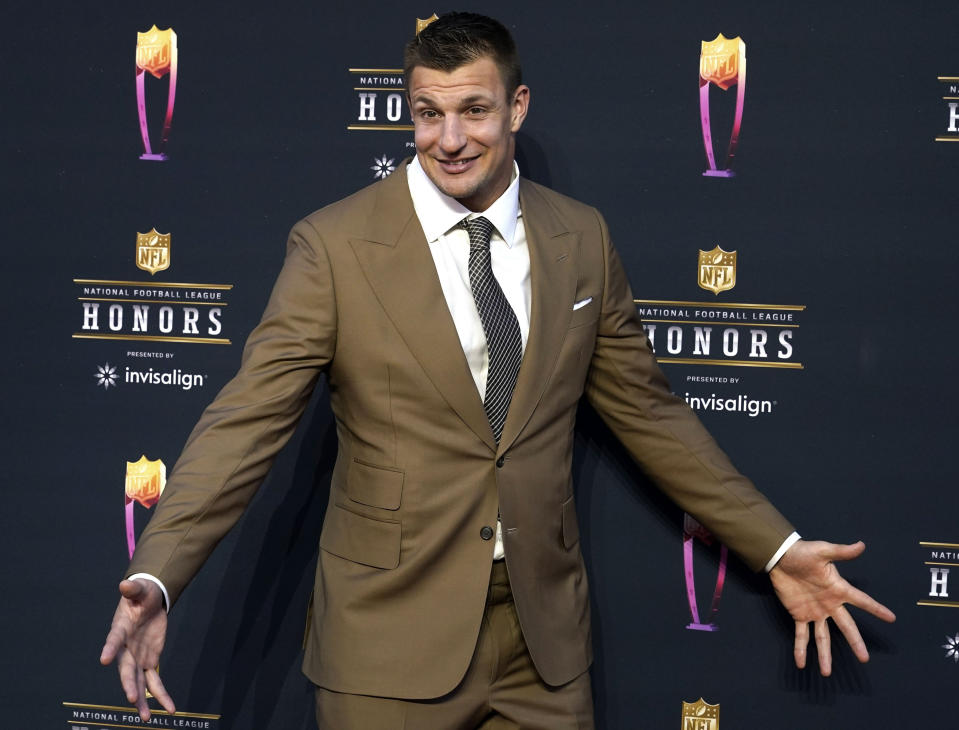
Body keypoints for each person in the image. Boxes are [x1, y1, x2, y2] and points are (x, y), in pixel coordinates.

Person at [100, 12, 895, 729]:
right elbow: (247, 421)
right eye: (427, 113)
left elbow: (649, 416)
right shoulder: (334, 246)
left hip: (542, 649)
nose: (449, 138)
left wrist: (777, 546)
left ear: (516, 108)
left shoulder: (579, 237)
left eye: (473, 110)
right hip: (386, 644)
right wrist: (159, 574)